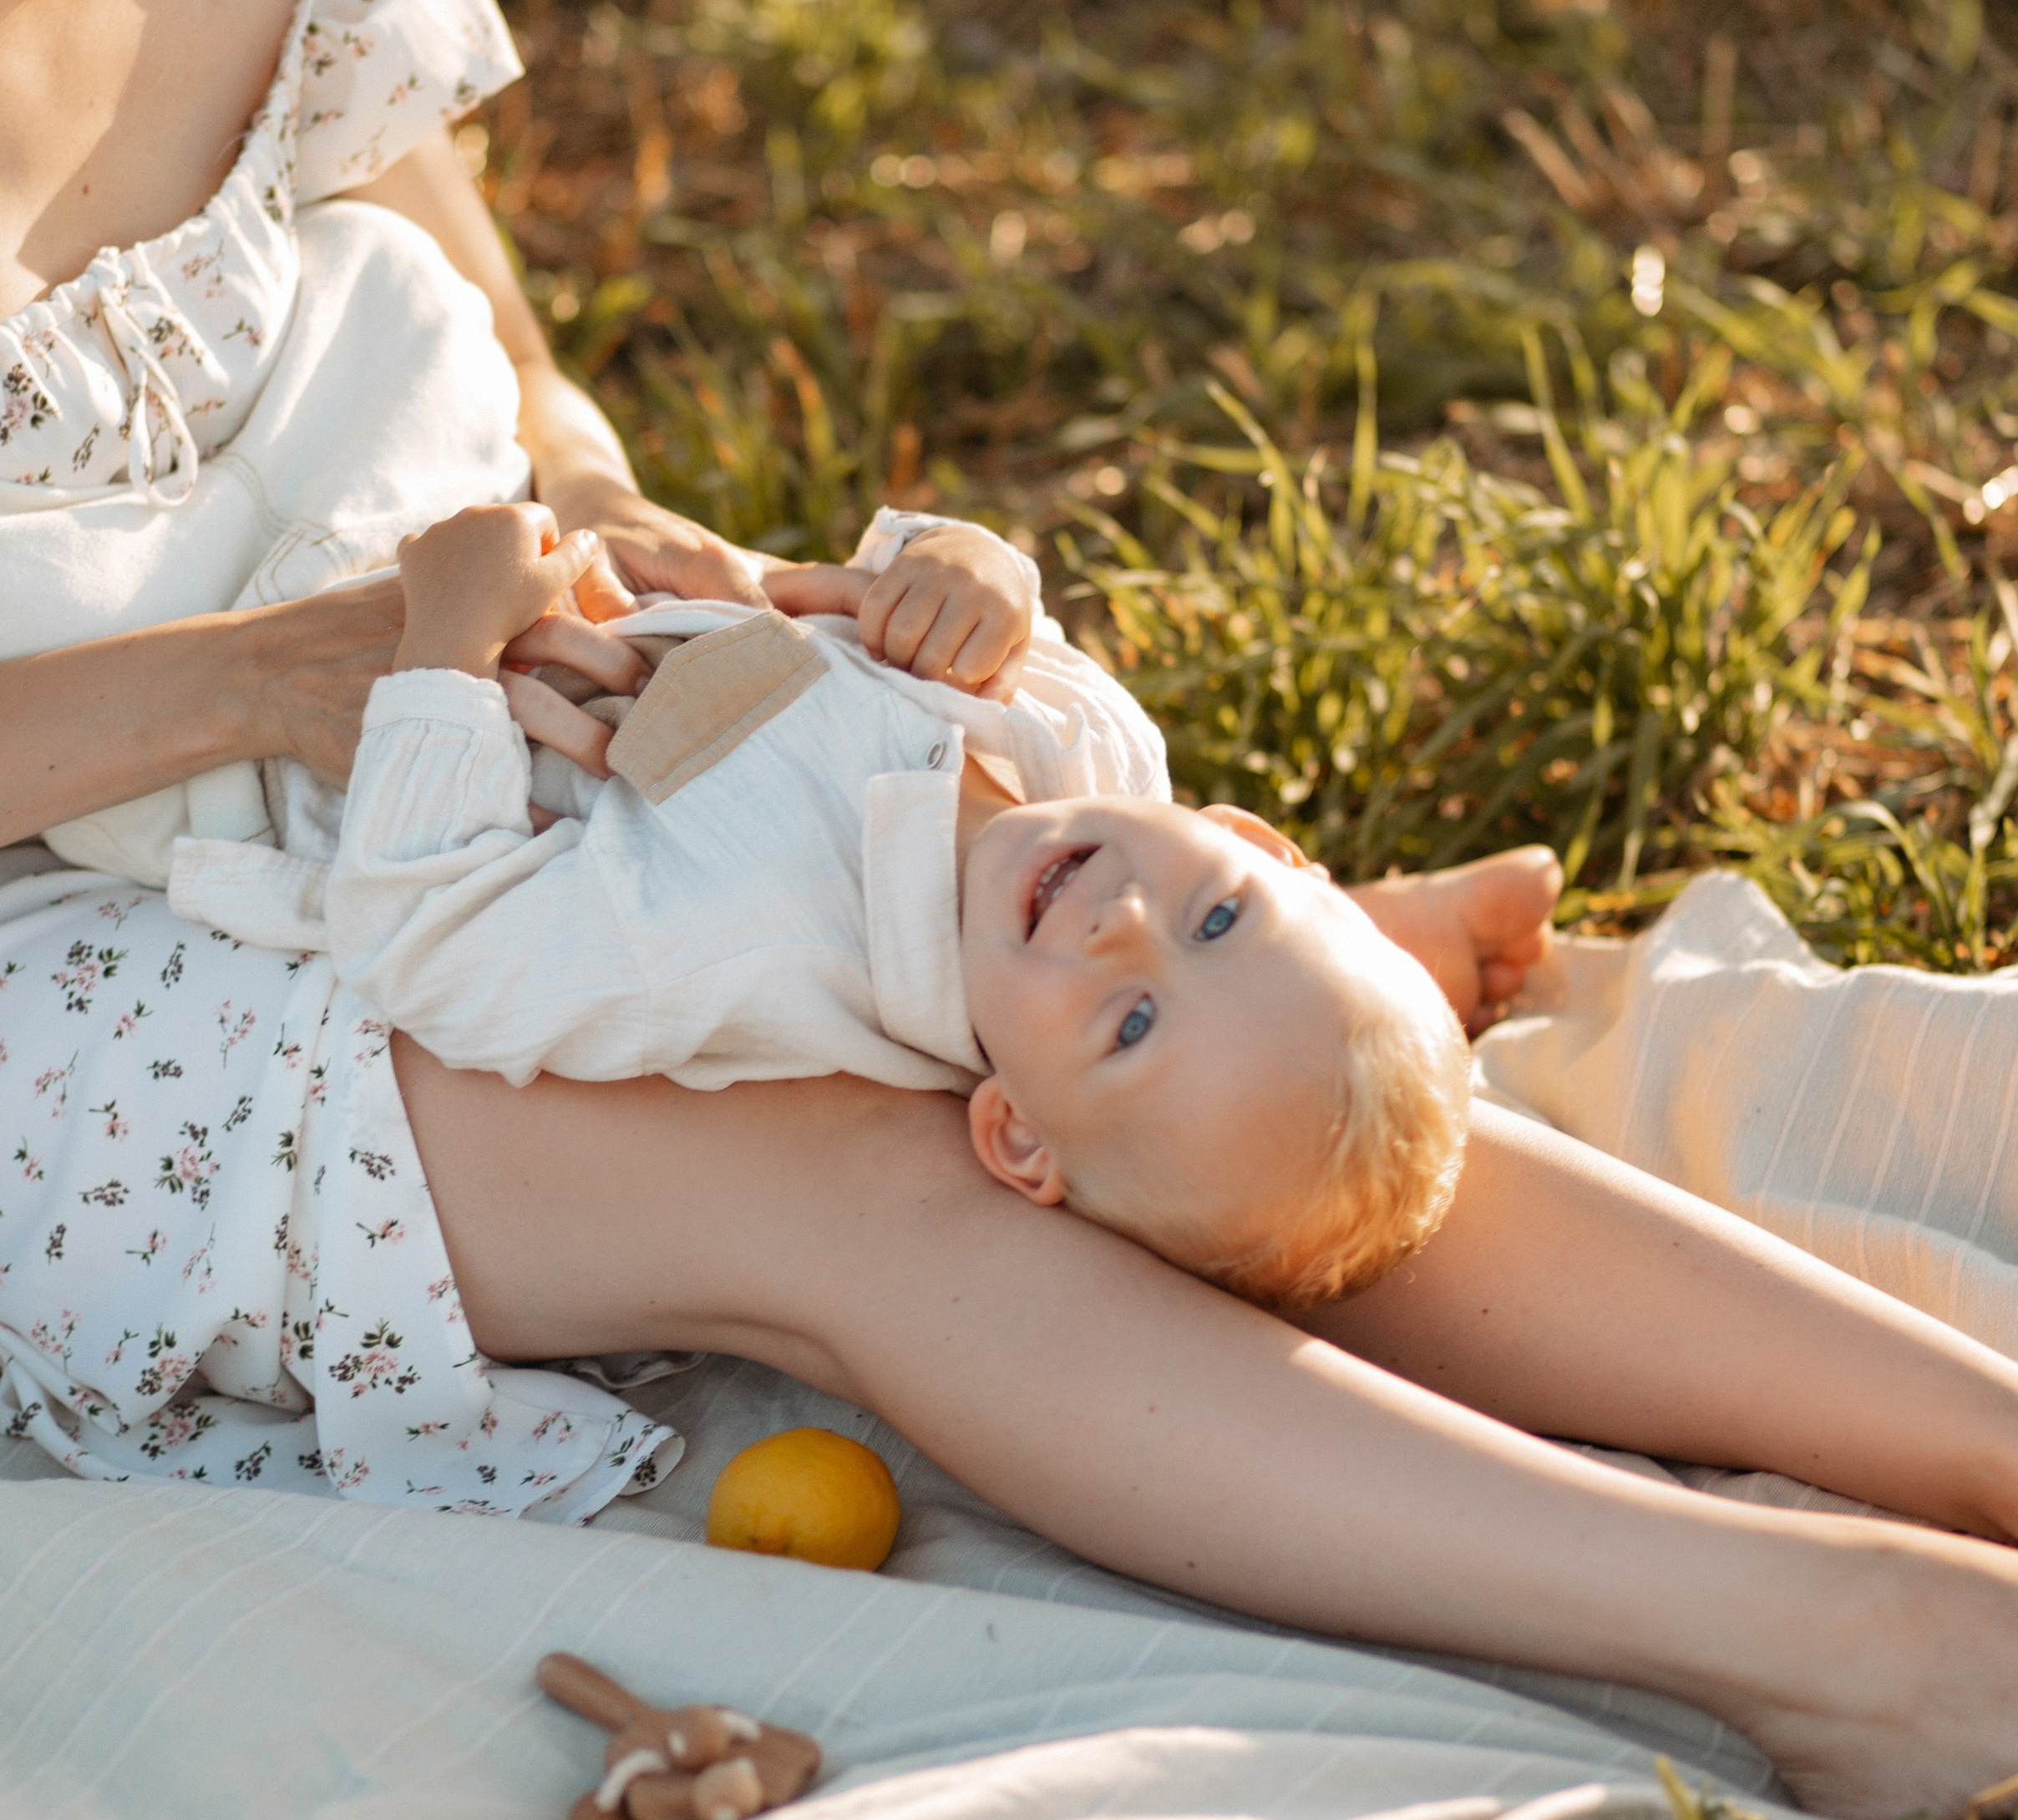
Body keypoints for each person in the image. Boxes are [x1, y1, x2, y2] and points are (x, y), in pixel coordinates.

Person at [0, 0, 2018, 1820]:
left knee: (1130, 1017)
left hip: (451, 682)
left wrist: (636, 540)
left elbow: (516, 383)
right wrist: (319, 674)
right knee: (869, 1139)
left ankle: (1993, 1455)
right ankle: (1847, 1644)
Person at [183, 494, 1469, 1318]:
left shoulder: (760, 950)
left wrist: (444, 648)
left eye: (1130, 1026)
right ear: (1257, 842)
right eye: (1221, 921)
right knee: (396, 288)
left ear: (1017, 1134)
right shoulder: (1093, 751)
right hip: (483, 525)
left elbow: (426, 939)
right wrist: (962, 568)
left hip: (285, 710)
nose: (1124, 926)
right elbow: (894, 603)